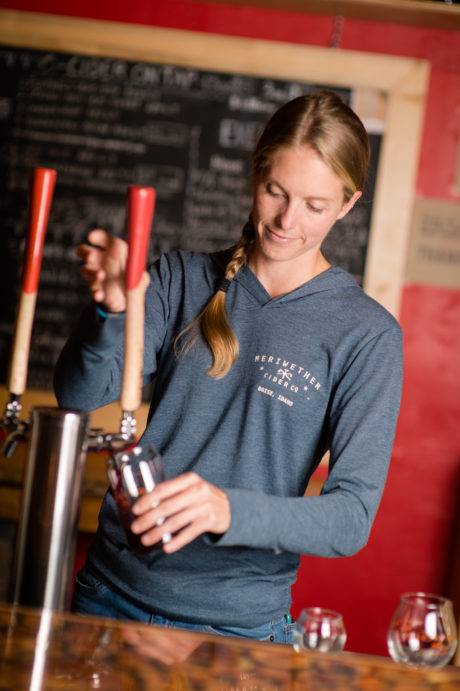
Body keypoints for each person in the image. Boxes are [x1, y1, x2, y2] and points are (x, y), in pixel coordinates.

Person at [54, 90, 402, 645]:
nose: (287, 221)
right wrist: (111, 313)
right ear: (254, 174)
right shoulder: (180, 279)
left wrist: (225, 510)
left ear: (348, 202)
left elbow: (350, 518)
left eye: (315, 205)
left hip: (237, 629)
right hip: (108, 599)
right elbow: (77, 394)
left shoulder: (368, 334)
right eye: (275, 192)